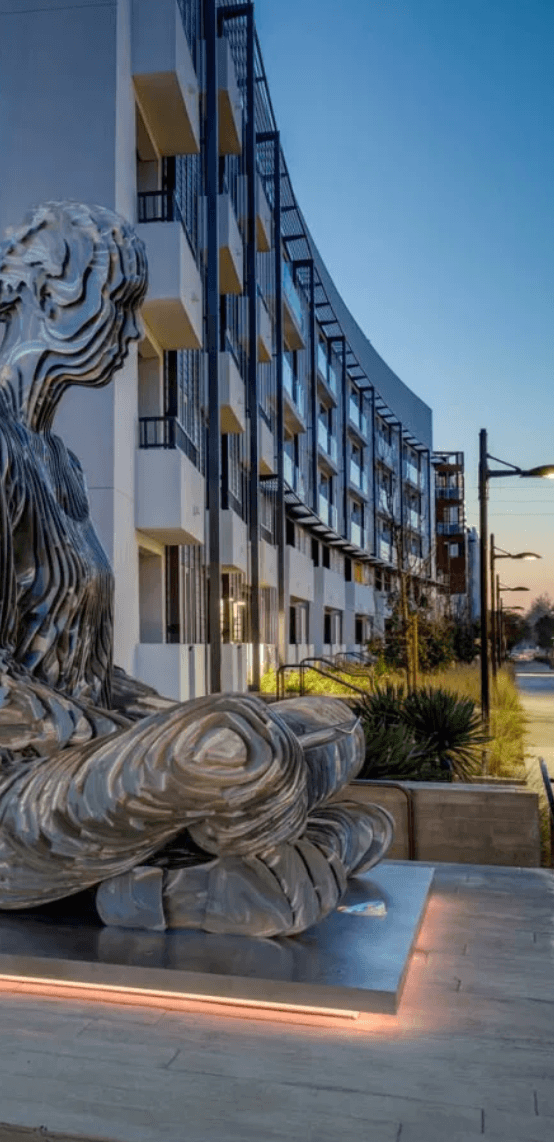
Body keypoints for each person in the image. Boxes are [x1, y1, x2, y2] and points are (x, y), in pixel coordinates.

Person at [0, 201, 391, 937]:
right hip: (17, 799)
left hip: (87, 763)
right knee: (234, 743)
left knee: (328, 721)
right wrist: (117, 735)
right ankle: (216, 870)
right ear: (46, 295)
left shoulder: (61, 464)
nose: (129, 332)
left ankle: (201, 868)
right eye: (116, 305)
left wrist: (147, 721)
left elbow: (90, 673)